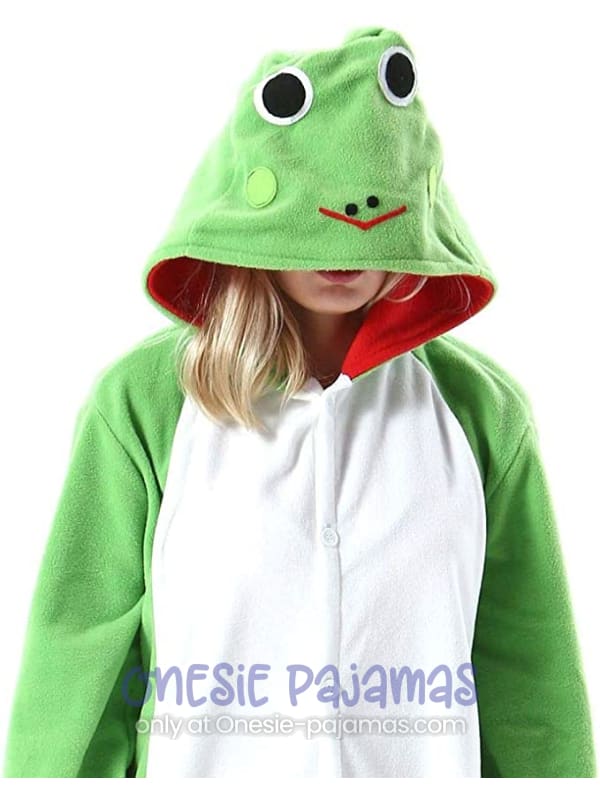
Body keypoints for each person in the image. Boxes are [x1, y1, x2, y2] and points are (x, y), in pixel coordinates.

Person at [3, 25, 596, 778]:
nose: (342, 247)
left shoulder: (482, 414)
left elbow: (529, 671)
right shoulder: (143, 405)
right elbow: (78, 661)